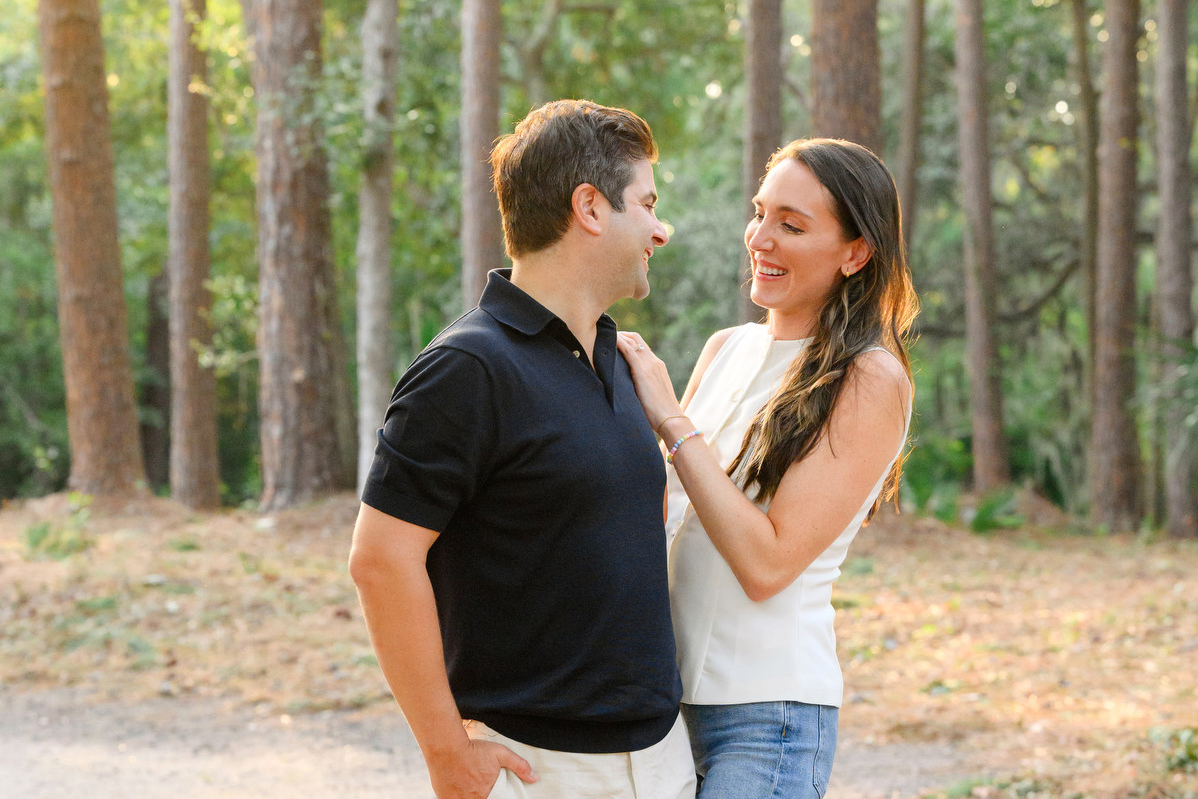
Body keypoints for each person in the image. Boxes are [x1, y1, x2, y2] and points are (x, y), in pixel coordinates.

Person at [348, 99, 695, 799]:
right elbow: (381, 561)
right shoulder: (466, 367)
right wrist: (448, 753)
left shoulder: (619, 358)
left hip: (660, 759)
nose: (661, 229)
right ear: (590, 207)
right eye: (647, 203)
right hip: (540, 770)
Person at [616, 138, 918, 798]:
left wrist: (671, 418)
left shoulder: (870, 377)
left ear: (855, 253)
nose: (762, 237)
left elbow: (768, 564)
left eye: (792, 224)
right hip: (661, 703)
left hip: (766, 719)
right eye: (760, 213)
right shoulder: (726, 346)